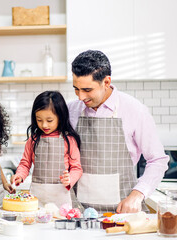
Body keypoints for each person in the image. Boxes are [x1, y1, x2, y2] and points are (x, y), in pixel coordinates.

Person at [68, 50, 169, 213]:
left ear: (106, 82)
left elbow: (157, 160)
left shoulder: (135, 110)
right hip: (77, 212)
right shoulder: (70, 110)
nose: (80, 97)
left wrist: (137, 194)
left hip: (122, 212)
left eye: (87, 90)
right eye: (76, 89)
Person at [11, 91, 82, 207]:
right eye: (39, 120)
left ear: (60, 117)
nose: (44, 125)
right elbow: (25, 164)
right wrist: (19, 176)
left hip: (61, 196)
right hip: (37, 195)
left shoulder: (69, 140)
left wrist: (70, 179)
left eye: (49, 121)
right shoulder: (33, 140)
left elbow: (77, 168)